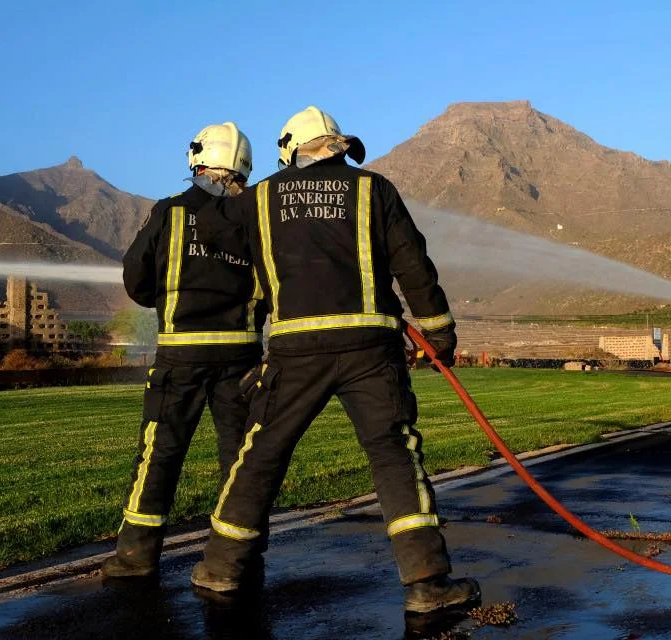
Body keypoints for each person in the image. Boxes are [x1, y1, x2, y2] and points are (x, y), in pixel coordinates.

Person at [190, 107, 481, 615]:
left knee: (260, 455)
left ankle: (220, 570)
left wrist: (235, 201)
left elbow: (213, 234)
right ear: (338, 146)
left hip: (294, 350)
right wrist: (440, 333)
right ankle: (426, 583)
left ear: (289, 153)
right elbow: (413, 262)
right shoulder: (374, 189)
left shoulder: (260, 198)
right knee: (393, 455)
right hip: (371, 349)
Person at [103, 122, 266, 577]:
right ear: (243, 167)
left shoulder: (168, 213)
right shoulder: (256, 218)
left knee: (160, 453)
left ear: (197, 159)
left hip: (180, 355)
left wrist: (170, 299)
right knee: (241, 458)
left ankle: (135, 557)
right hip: (241, 359)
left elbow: (136, 278)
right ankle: (240, 559)